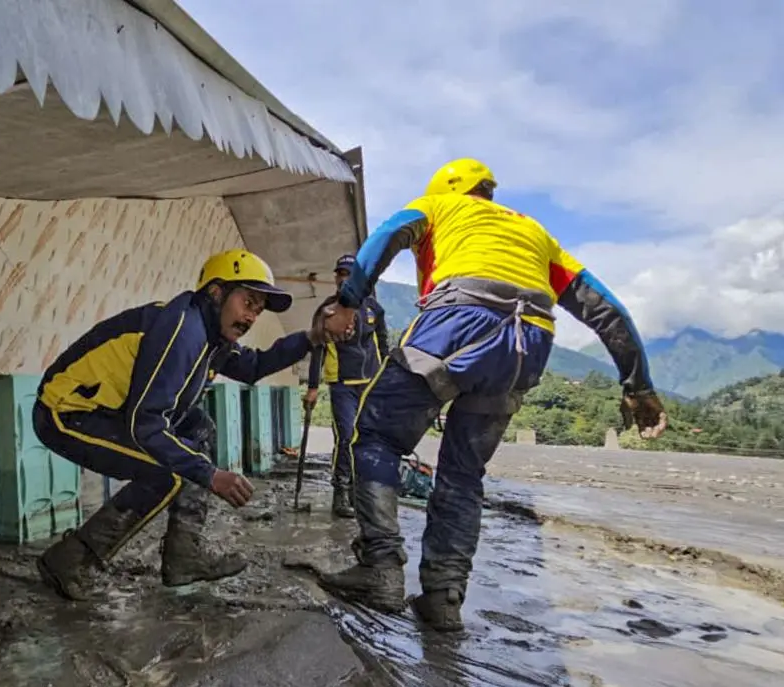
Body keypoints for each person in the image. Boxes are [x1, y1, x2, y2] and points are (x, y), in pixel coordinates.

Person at [318, 158, 668, 632]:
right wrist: (639, 386)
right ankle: (443, 596)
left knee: (376, 435)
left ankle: (380, 568)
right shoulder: (537, 234)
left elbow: (385, 235)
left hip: (457, 320)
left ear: (448, 188)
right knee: (463, 473)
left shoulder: (438, 205)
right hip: (529, 343)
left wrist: (348, 301)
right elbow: (607, 310)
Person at [33, 248, 343, 601]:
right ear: (216, 292)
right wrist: (210, 474)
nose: (251, 317)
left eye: (258, 309)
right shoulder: (183, 332)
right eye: (248, 302)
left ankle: (184, 555)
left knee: (199, 427)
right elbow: (146, 426)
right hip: (65, 411)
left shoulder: (213, 339)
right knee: (165, 475)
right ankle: (72, 561)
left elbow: (253, 367)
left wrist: (310, 338)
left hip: (111, 411)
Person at [305, 254, 389, 518]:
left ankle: (359, 492)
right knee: (346, 436)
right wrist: (312, 386)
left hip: (370, 382)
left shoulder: (374, 309)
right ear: (335, 277)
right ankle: (340, 491)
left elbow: (383, 346)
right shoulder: (327, 309)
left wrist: (388, 377)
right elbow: (317, 348)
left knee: (368, 438)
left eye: (349, 274)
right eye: (340, 274)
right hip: (341, 383)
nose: (344, 279)